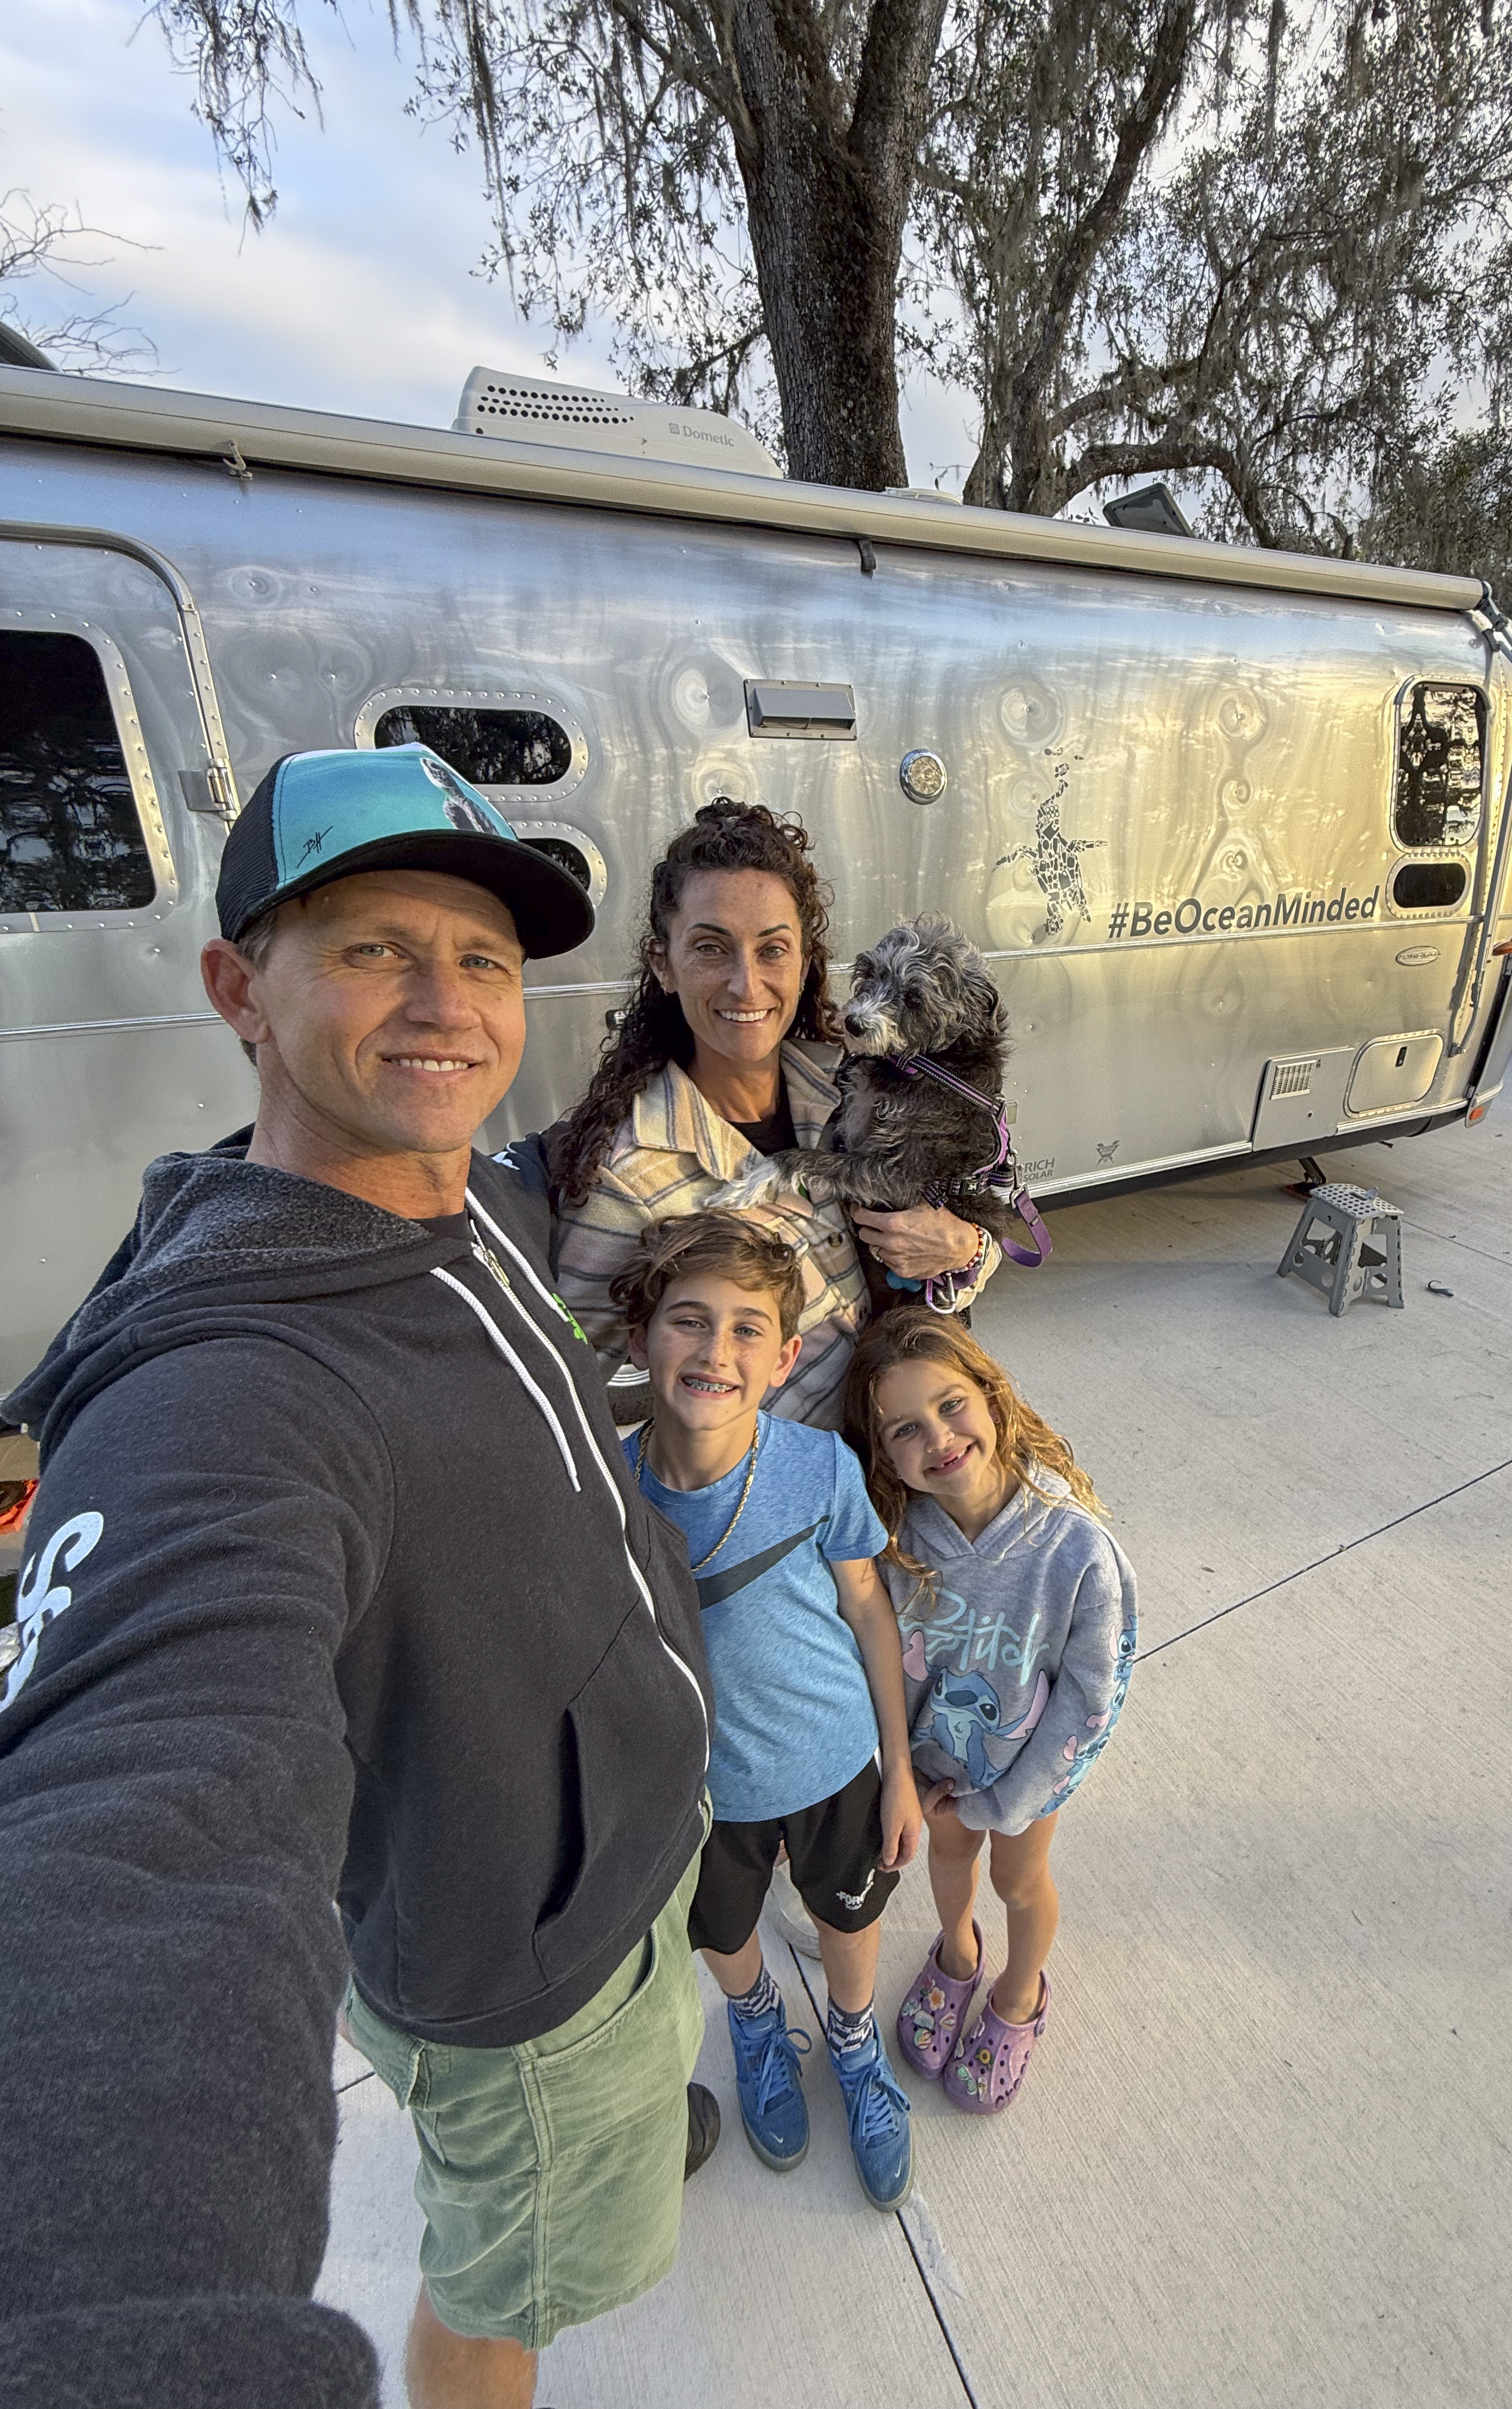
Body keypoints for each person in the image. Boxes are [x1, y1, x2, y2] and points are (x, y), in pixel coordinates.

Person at [0, 746, 715, 2409]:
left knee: (547, 2200)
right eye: (376, 947)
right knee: (505, 2294)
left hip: (605, 1871)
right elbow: (138, 1844)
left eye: (481, 957)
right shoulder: (229, 1388)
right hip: (530, 1993)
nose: (446, 1004)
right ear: (240, 988)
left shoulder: (457, 1194)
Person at [612, 1209, 925, 2207]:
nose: (716, 1350)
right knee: (722, 1923)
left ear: (785, 1354)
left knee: (849, 1913)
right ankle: (752, 2023)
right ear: (639, 1338)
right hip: (699, 1791)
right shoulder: (607, 1492)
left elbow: (869, 1610)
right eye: (687, 1320)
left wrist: (899, 1770)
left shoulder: (815, 1466)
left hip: (833, 1761)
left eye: (747, 1327)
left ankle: (848, 2037)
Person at [530, 797, 999, 1429]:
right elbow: (574, 1396)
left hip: (921, 1443)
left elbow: (982, 1210)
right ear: (662, 964)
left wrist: (965, 1248)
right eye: (710, 948)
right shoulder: (626, 1174)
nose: (746, 986)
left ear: (806, 962)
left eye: (772, 949)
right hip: (798, 1495)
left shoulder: (854, 1078)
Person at [843, 1308, 1137, 2116]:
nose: (936, 1438)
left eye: (949, 1404)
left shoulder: (1075, 1549)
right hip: (938, 1774)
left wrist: (1012, 1800)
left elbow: (1093, 1694)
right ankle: (957, 1953)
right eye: (904, 1430)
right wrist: (898, 1770)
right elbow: (883, 1663)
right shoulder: (899, 1540)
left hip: (1022, 1782)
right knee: (945, 1864)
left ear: (992, 1396)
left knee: (1018, 1878)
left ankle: (1017, 1991)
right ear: (886, 1459)